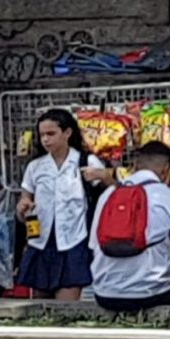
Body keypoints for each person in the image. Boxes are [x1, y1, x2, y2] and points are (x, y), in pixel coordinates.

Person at [88, 141, 170, 313]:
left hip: (105, 293)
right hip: (152, 292)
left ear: (136, 165)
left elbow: (94, 246)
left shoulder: (108, 195)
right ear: (166, 170)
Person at [16, 109, 104, 301]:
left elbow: (110, 193)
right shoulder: (35, 167)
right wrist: (23, 208)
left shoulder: (86, 161)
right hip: (40, 240)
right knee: (39, 306)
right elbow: (23, 206)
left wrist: (103, 176)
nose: (46, 140)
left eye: (51, 134)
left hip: (74, 239)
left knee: (67, 306)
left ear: (67, 133)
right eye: (42, 135)